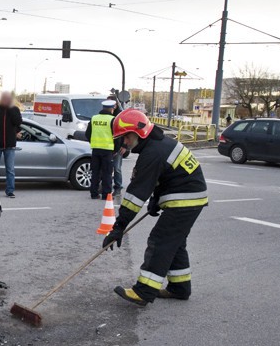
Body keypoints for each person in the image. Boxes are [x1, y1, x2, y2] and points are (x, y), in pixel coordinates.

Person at [102, 109, 208, 307]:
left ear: (137, 132)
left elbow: (134, 197)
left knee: (160, 241)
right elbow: (165, 178)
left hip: (185, 199)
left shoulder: (152, 153)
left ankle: (144, 291)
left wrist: (119, 227)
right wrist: (156, 200)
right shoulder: (158, 145)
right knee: (175, 242)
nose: (124, 142)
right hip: (190, 196)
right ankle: (180, 287)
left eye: (125, 137)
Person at [85, 100, 117, 199]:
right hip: (108, 150)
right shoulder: (113, 119)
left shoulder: (94, 118)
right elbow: (117, 136)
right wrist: (116, 150)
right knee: (107, 173)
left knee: (95, 172)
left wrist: (93, 142)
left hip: (95, 149)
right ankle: (106, 195)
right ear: (112, 109)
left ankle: (94, 194)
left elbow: (87, 134)